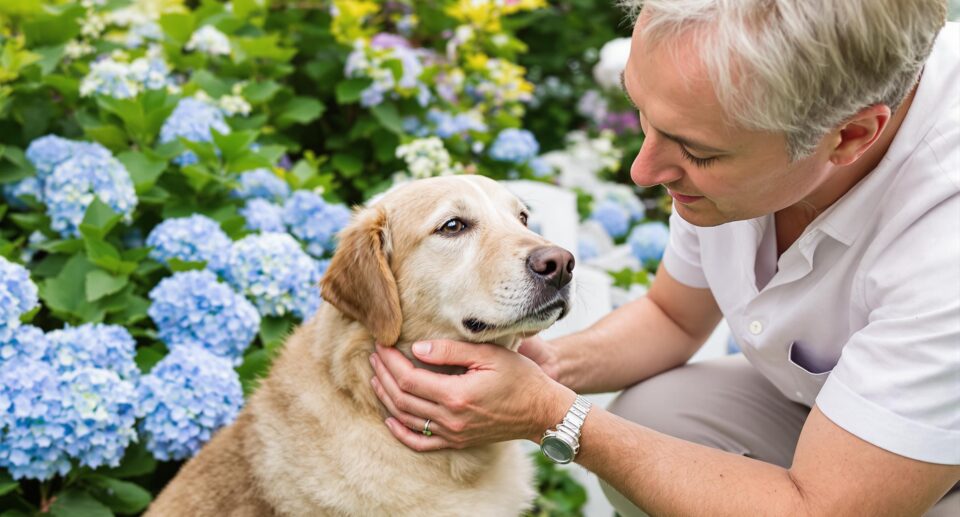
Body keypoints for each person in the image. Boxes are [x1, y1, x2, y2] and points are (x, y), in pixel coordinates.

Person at [369, 0, 960, 514]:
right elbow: (673, 318)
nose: (643, 170)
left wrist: (553, 417)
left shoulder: (943, 245)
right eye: (644, 117)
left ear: (851, 137)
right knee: (660, 416)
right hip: (827, 409)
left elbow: (826, 511)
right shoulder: (749, 111)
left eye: (697, 151)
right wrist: (539, 371)